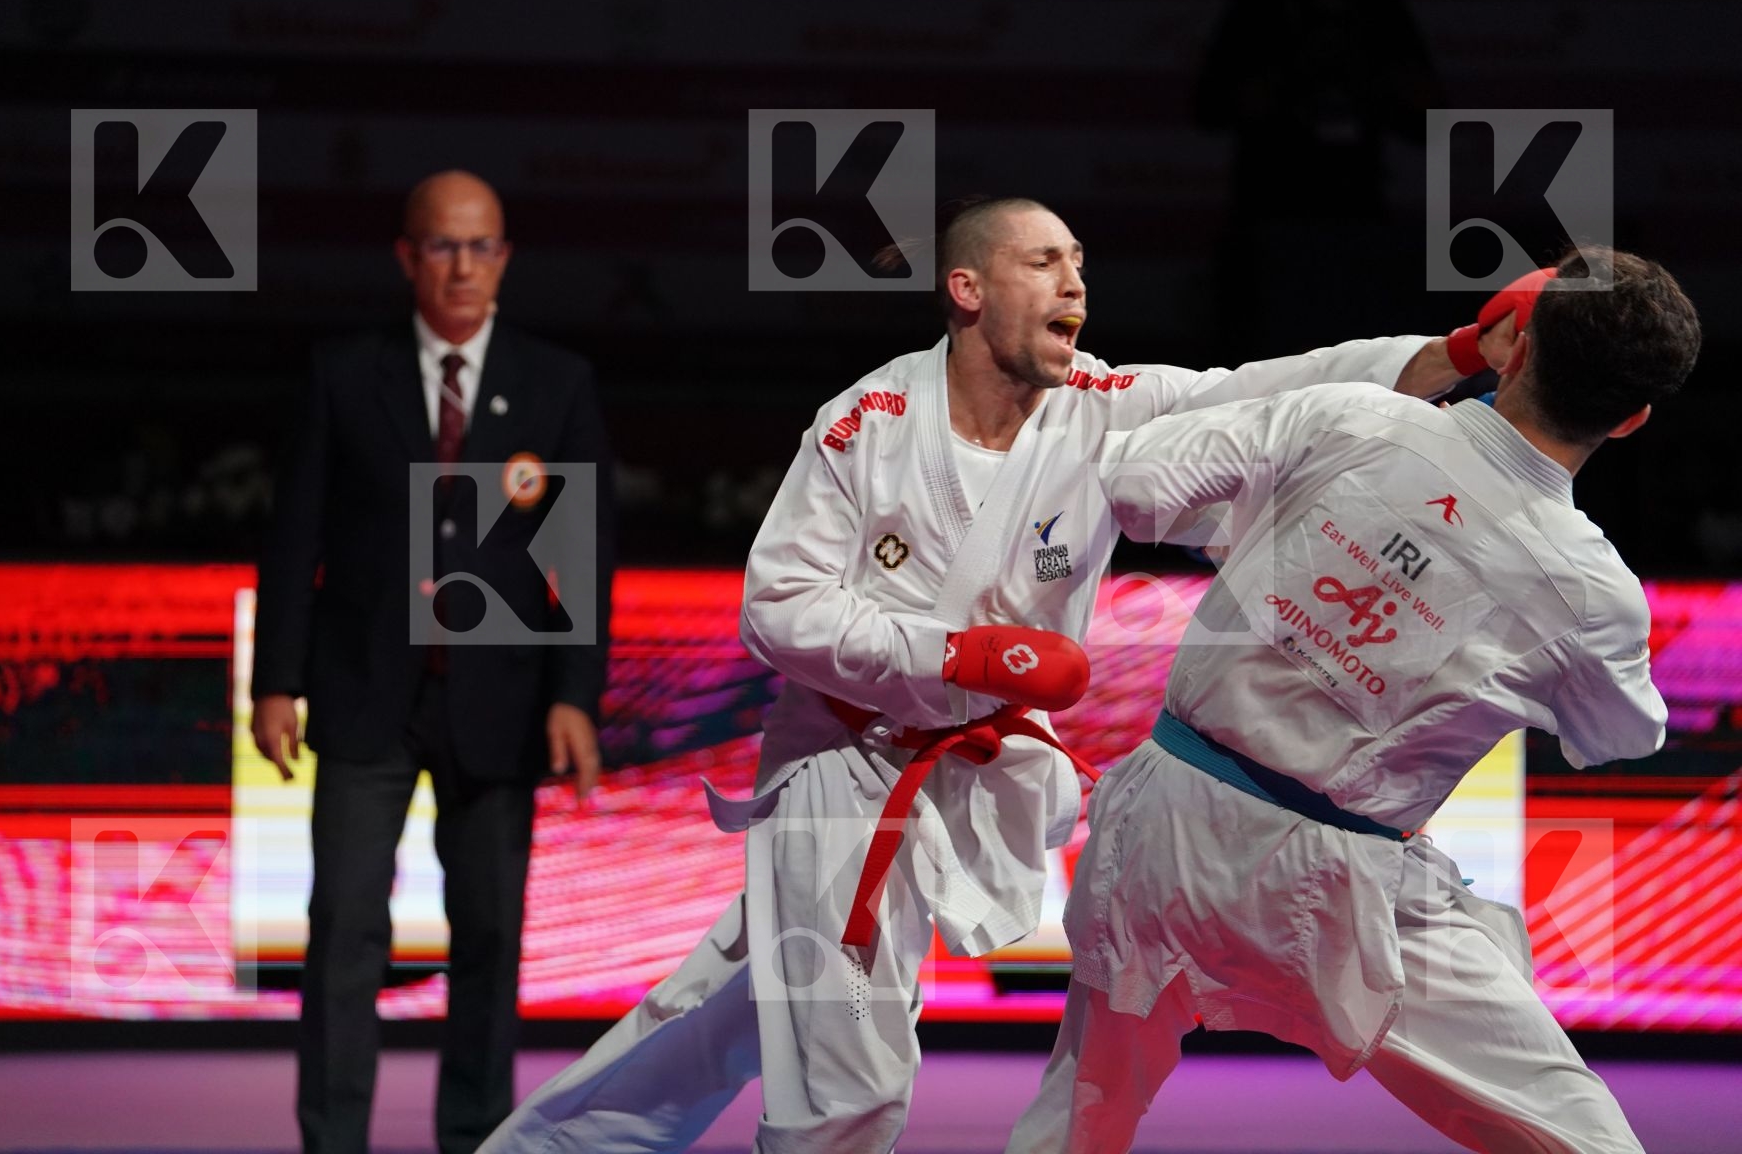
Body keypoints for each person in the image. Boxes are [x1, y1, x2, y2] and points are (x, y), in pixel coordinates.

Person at [479, 197, 1486, 1154]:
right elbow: (776, 607)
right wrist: (954, 655)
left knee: (728, 1014)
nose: (1076, 286)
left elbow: (1269, 390)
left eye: (1082, 266)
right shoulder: (865, 421)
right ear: (968, 289)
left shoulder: (1104, 409)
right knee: (851, 1078)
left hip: (970, 770)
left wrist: (1452, 357)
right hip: (843, 762)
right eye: (1045, 262)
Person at [1003, 247, 1701, 1154]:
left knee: (1079, 1117)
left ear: (1514, 348)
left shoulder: (1355, 417)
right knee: (1576, 1135)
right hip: (1338, 888)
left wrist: (1276, 530)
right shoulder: (1590, 590)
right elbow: (1619, 735)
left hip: (1163, 832)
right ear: (1635, 418)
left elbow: (1135, 485)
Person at [251, 170, 615, 1154]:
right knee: (343, 937)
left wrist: (576, 695)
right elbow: (297, 537)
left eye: (483, 246)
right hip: (365, 692)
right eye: (444, 247)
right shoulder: (342, 371)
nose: (465, 266)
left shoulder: (554, 382)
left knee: (490, 942)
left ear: (505, 257)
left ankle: (475, 1138)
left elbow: (575, 557)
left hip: (500, 702)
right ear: (407, 256)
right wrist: (274, 681)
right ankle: (332, 1140)